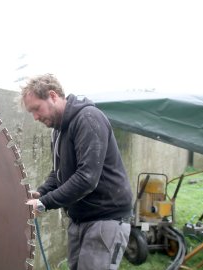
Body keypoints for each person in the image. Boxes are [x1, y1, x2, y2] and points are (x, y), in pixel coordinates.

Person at [22, 74, 133, 270]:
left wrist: (43, 204)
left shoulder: (88, 118)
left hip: (106, 218)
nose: (36, 117)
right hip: (80, 218)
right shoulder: (58, 130)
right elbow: (59, 173)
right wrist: (41, 192)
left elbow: (87, 178)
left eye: (36, 109)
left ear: (53, 96)